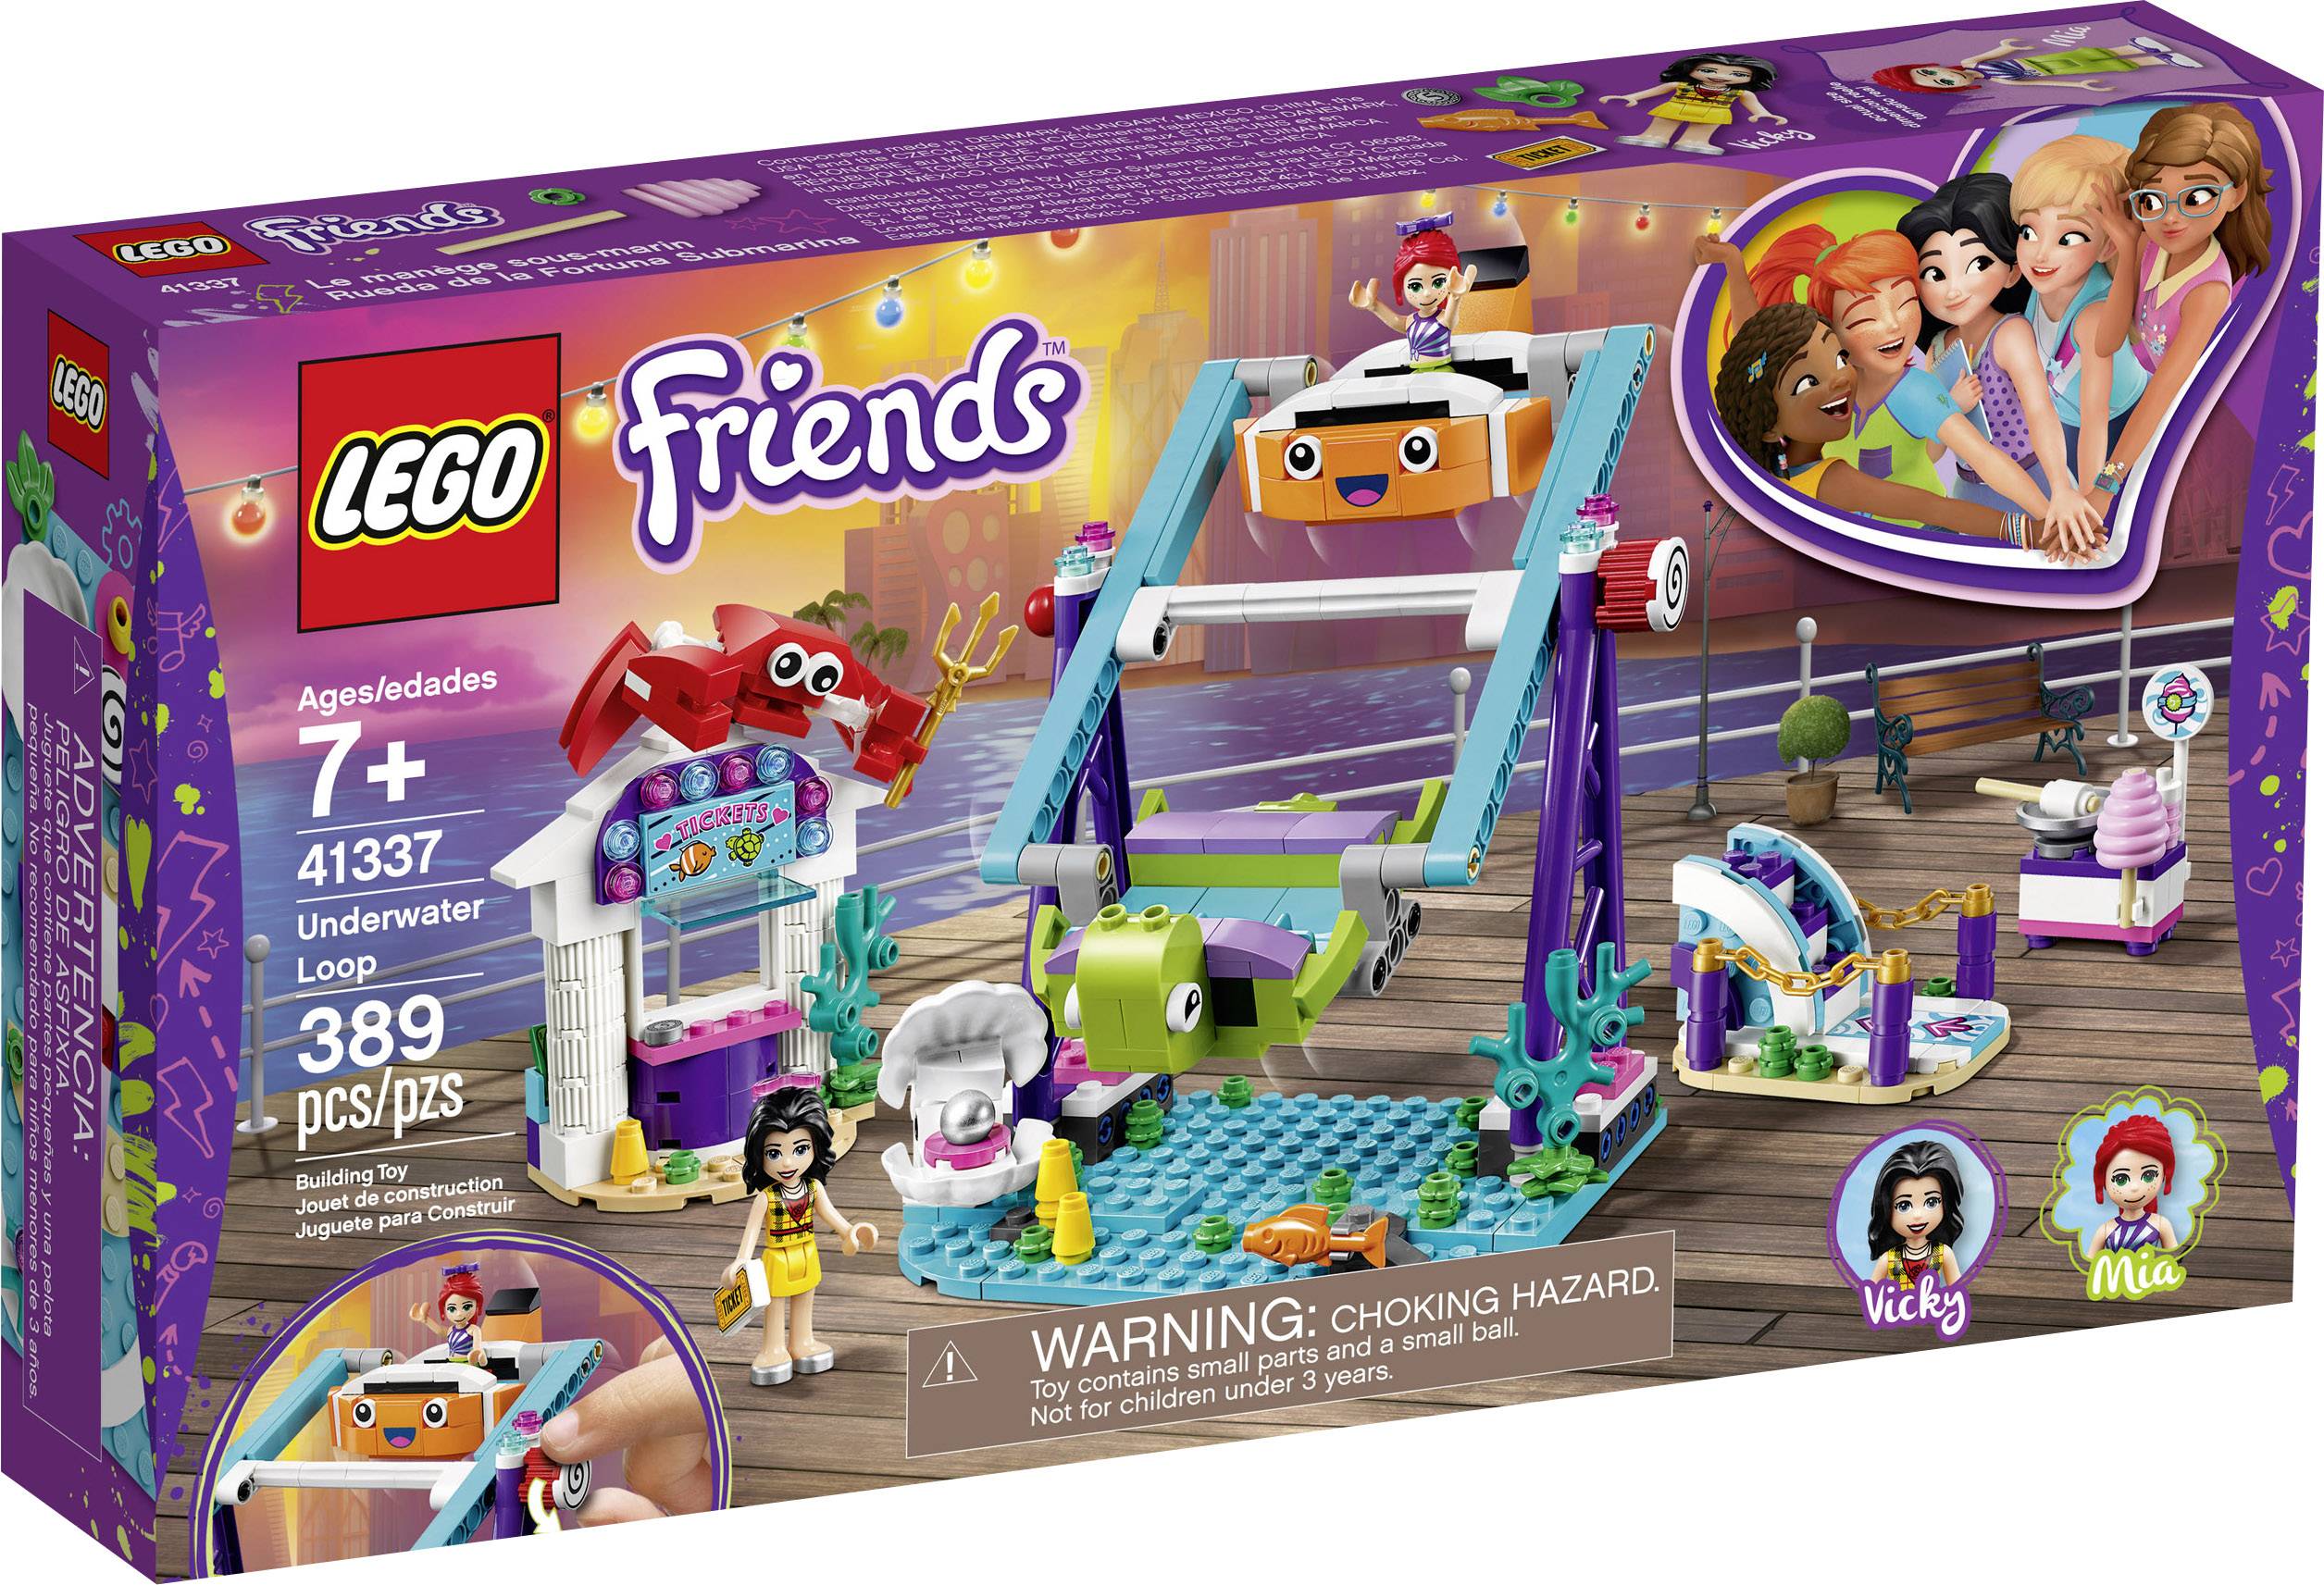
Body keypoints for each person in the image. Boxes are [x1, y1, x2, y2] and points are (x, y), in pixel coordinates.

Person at [1696, 228, 2102, 550]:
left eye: (1906, 303)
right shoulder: (1835, 386)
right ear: (1833, 329)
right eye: (1863, 319)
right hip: (1868, 541)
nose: (1892, 327)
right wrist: (1733, 265)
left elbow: (1982, 459)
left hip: (1925, 536)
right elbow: (1761, 358)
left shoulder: (1914, 391)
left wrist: (2050, 518)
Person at [1712, 302, 2057, 552]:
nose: (1839, 379)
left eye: (1839, 359)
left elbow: (1755, 379)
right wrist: (2028, 531)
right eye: (1807, 382)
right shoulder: (1830, 480)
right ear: (1768, 426)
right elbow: (1930, 508)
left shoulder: (1779, 471)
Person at [2088, 103, 2275, 509]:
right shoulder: (2149, 243)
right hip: (2141, 399)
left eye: (2197, 196)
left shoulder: (2207, 292)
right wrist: (2126, 245)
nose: (2170, 218)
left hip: (2191, 423)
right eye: (2153, 200)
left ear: (2236, 194)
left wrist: (2107, 483)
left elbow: (2165, 392)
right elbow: (2107, 340)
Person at [2008, 134, 2149, 494]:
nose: (2040, 254)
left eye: (2068, 239)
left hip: (2119, 425)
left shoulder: (2093, 318)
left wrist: (2089, 502)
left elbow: (2095, 422)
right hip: (2065, 417)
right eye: (2029, 231)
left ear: (2108, 246)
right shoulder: (2041, 283)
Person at [722, 1085, 877, 1386]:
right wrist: (740, 1262)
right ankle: (773, 1349)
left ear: (816, 1146)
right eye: (774, 1153)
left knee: (805, 1300)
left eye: (800, 1149)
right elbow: (751, 1235)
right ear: (759, 1154)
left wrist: (850, 1231)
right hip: (778, 1258)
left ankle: (802, 1342)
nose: (788, 1163)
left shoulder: (814, 1189)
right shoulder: (766, 1198)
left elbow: (832, 1216)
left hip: (807, 1254)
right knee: (774, 1304)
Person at [1870, 33, 2205, 96]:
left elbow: (1995, 51)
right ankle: (2156, 58)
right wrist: (2081, 85)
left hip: (2040, 60)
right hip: (2054, 70)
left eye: (1930, 72)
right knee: (2099, 66)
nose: (1944, 76)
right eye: (1941, 83)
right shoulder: (2002, 82)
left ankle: (2135, 47)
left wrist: (2005, 47)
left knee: (2091, 53)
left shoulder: (1971, 63)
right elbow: (2043, 83)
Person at [1349, 213, 1475, 369]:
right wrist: (1374, 306)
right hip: (1416, 372)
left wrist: (1456, 297)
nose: (1427, 293)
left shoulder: (1443, 318)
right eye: (1415, 287)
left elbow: (1452, 319)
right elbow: (1395, 321)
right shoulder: (1411, 321)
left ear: (1452, 278)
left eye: (1438, 283)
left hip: (1443, 370)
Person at [1599, 52, 1784, 155]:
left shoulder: (1742, 93)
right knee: (1662, 125)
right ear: (1690, 69)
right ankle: (1654, 137)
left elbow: (1755, 106)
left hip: (1714, 112)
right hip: (1676, 106)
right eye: (1708, 70)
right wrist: (1631, 97)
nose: (1720, 76)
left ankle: (1695, 141)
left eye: (1738, 74)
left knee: (1700, 132)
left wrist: (1762, 114)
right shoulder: (1680, 85)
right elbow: (1655, 91)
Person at [1865, 1138, 1968, 1288]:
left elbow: (1957, 1291)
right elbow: (1870, 1293)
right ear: (1886, 1208)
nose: (1918, 1215)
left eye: (1931, 1202)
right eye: (1904, 1206)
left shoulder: (1943, 1254)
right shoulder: (1888, 1259)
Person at [2085, 1112, 2182, 1257]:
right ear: (2103, 1180)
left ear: (2163, 1175)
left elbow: (2174, 1260)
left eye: (2149, 1176)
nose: (2135, 1187)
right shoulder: (2105, 1230)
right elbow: (2089, 1263)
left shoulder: (2161, 1224)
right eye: (2121, 1179)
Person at [408, 1262, 489, 1366]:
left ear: (476, 1305)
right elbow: (439, 1330)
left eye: (466, 1307)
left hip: (468, 1364)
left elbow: (477, 1347)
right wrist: (425, 1320)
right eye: (452, 1309)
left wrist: (479, 1354)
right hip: (452, 1364)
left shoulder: (473, 1329)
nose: (459, 1314)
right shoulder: (451, 1330)